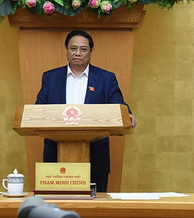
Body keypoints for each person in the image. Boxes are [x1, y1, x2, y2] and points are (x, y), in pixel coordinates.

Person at [35, 30, 135, 192]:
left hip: (95, 155)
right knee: (56, 209)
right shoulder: (50, 77)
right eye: (73, 48)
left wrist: (127, 115)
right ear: (66, 50)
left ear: (91, 51)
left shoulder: (105, 78)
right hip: (56, 156)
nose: (77, 53)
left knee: (94, 211)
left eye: (83, 49)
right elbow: (39, 110)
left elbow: (119, 106)